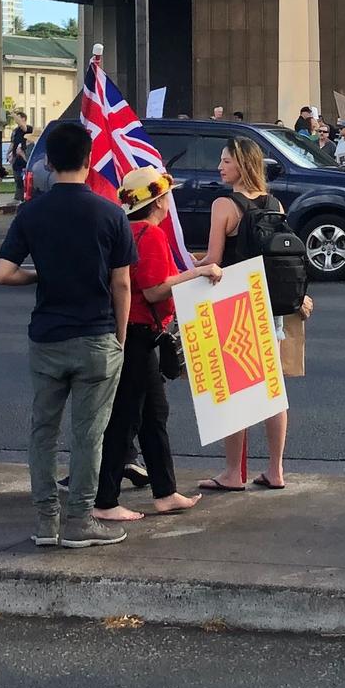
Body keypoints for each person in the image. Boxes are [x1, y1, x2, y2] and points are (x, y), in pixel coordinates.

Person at [0, 118, 133, 547]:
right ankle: (80, 520)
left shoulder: (31, 213)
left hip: (48, 336)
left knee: (44, 431)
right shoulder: (110, 214)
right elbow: (122, 284)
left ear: (50, 163)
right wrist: (120, 337)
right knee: (89, 434)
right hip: (97, 336)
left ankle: (44, 520)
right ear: (90, 162)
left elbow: (3, 274)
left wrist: (38, 276)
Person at [93, 169, 216, 522]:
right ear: (159, 201)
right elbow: (155, 290)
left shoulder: (126, 231)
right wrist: (198, 272)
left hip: (132, 333)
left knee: (151, 415)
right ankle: (105, 499)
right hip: (139, 333)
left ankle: (165, 491)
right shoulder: (150, 235)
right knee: (128, 417)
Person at [199, 137, 310, 491]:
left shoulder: (224, 205)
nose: (220, 167)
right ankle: (276, 470)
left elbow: (214, 259)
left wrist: (188, 261)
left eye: (226, 161)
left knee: (236, 391)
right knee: (272, 390)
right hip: (270, 304)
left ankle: (233, 473)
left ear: (243, 165)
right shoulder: (274, 203)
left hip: (235, 304)